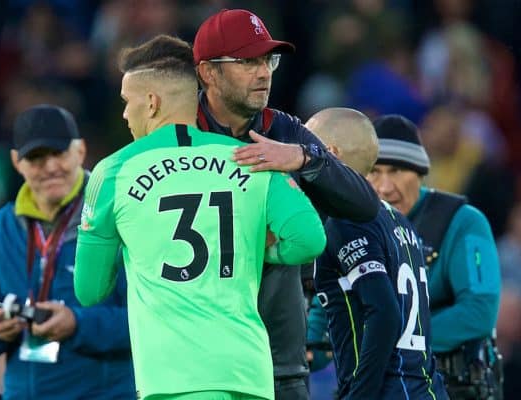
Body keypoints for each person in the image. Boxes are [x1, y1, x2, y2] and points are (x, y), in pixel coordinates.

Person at [73, 34, 327, 400]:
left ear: (151, 101)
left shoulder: (114, 171)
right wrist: (259, 251)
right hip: (249, 375)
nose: (125, 114)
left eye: (127, 102)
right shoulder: (252, 158)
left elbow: (89, 290)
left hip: (174, 379)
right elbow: (310, 239)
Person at [192, 9, 380, 399]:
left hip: (279, 364)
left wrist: (304, 159)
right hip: (199, 361)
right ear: (208, 72)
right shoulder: (178, 136)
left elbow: (365, 203)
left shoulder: (284, 130)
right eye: (248, 62)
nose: (264, 73)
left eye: (268, 60)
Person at [0, 104, 135, 399]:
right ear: (17, 162)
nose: (50, 167)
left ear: (80, 151)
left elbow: (149, 318)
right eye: (37, 158)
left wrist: (78, 324)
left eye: (58, 153)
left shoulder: (117, 217)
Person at [304, 108, 448, 399]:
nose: (299, 158)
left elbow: (384, 312)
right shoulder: (400, 221)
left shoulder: (347, 219)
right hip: (425, 389)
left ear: (330, 153)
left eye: (306, 147)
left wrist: (358, 395)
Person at [367, 114, 502, 399]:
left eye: (397, 171)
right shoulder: (356, 225)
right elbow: (324, 312)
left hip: (454, 386)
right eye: (375, 171)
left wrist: (394, 343)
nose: (384, 186)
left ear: (420, 172)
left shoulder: (464, 222)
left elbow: (480, 311)